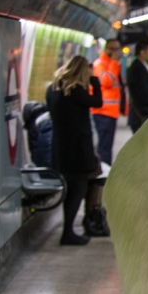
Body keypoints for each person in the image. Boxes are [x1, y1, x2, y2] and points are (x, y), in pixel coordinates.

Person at [46, 56, 103, 245]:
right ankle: (69, 232)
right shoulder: (76, 91)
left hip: (61, 146)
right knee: (78, 189)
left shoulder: (53, 89)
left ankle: (75, 227)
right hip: (78, 148)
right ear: (82, 71)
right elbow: (98, 102)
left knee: (74, 187)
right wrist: (96, 83)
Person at [91, 39, 127, 165]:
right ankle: (103, 172)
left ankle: (105, 169)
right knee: (104, 147)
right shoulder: (101, 63)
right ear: (108, 50)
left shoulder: (112, 63)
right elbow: (106, 81)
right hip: (103, 111)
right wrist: (113, 62)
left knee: (107, 145)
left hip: (110, 112)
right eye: (115, 49)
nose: (118, 52)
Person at [126, 40, 148, 133]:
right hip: (141, 117)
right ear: (142, 52)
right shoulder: (138, 69)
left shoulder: (140, 67)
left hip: (141, 117)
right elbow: (144, 95)